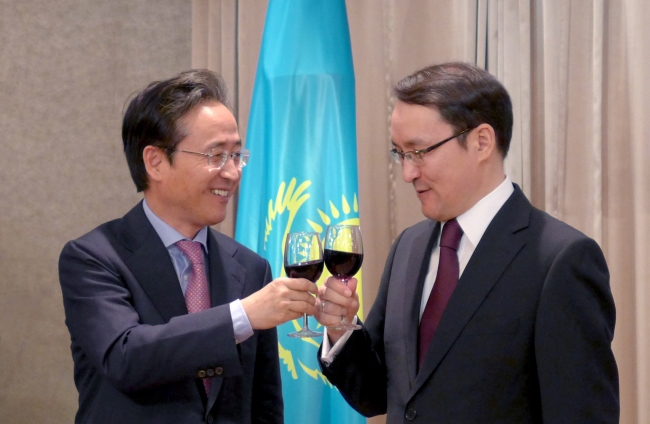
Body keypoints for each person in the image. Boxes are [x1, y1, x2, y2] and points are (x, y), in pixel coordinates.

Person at [314, 62, 619, 423]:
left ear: (481, 142)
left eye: (419, 151)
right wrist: (340, 330)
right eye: (400, 153)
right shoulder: (408, 248)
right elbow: (378, 394)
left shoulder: (560, 260)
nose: (408, 172)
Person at [58, 69, 317, 424]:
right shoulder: (93, 258)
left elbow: (265, 404)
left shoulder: (251, 268)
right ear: (156, 162)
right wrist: (240, 316)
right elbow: (125, 357)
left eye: (238, 155)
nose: (232, 173)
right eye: (216, 155)